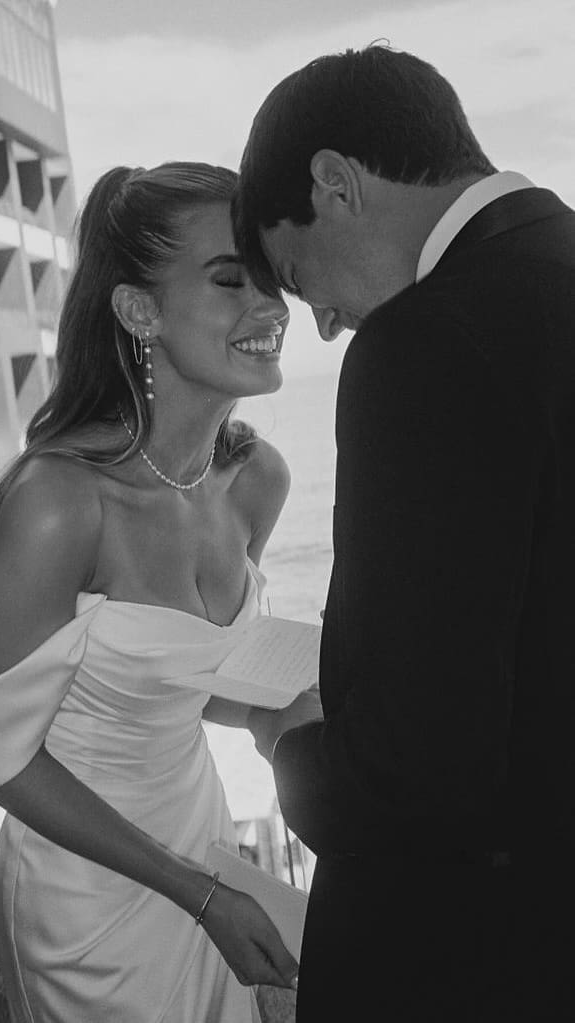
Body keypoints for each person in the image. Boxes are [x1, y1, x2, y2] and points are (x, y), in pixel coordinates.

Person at [236, 44, 575, 1022]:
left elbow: (416, 773)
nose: (331, 325)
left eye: (302, 279)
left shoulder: (426, 347)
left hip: (467, 953)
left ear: (335, 184)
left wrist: (297, 750)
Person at [0, 162, 297, 1023]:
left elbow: (189, 688)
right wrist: (197, 894)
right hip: (85, 892)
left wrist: (284, 723)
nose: (270, 308)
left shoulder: (256, 481)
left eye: (271, 279)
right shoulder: (61, 501)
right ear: (138, 310)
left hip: (203, 836)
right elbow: (4, 760)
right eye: (232, 279)